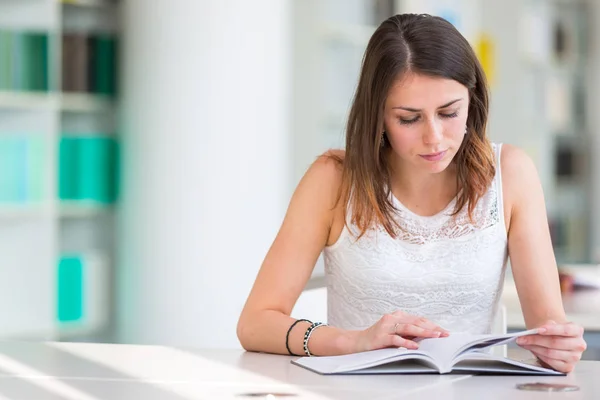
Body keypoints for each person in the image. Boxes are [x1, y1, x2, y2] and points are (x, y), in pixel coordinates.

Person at [236, 13, 587, 373]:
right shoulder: (333, 180)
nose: (434, 137)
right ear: (378, 117)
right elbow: (255, 323)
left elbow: (549, 332)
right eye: (408, 118)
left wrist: (559, 348)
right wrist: (352, 341)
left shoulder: (511, 174)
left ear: (473, 99)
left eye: (449, 112)